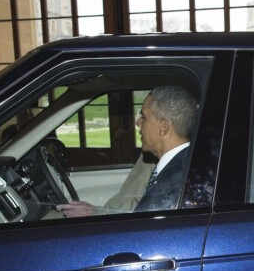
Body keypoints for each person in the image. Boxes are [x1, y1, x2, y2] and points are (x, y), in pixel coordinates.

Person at [57, 85, 197, 216]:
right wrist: (95, 212)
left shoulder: (171, 187)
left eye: (144, 117)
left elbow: (141, 233)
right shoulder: (182, 165)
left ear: (163, 127)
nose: (138, 123)